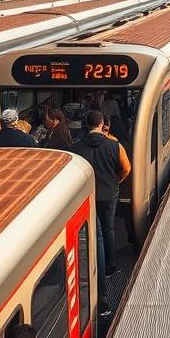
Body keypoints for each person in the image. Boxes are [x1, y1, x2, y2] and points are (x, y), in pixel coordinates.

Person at [71, 110, 130, 276]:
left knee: (90, 231)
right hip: (109, 192)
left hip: (86, 195)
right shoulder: (115, 145)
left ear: (87, 125)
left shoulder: (75, 148)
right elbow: (126, 167)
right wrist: (117, 180)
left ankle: (91, 265)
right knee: (107, 229)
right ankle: (109, 266)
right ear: (102, 124)